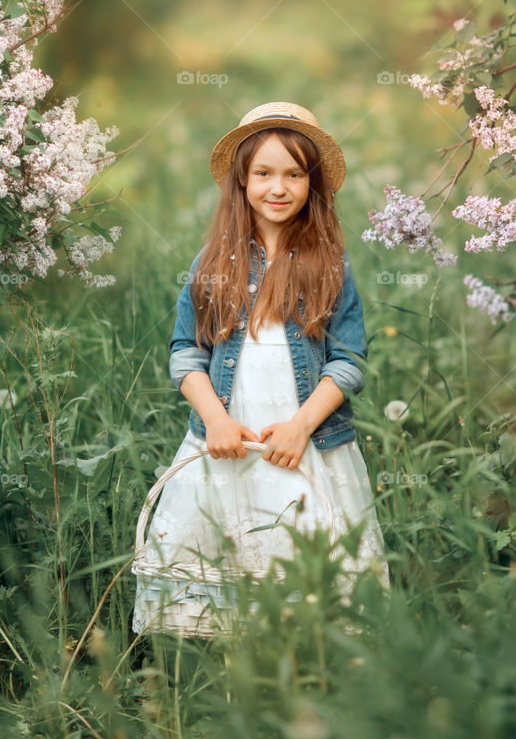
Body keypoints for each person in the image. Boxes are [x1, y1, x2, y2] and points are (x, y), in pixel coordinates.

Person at [132, 100, 390, 637]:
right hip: (230, 435)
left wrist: (301, 426)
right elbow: (187, 354)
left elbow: (348, 361)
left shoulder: (330, 266)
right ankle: (236, 674)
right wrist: (216, 421)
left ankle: (305, 666)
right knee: (229, 550)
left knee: (308, 553)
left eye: (294, 174)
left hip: (305, 442)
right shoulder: (210, 266)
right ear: (242, 182)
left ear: (312, 184)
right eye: (264, 173)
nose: (279, 187)